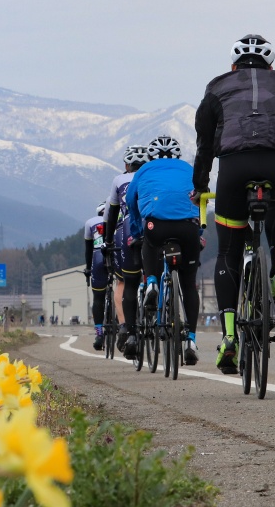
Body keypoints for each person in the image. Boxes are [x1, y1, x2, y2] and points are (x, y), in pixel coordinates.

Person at [192, 34, 275, 374]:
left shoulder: (216, 87)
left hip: (235, 167)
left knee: (228, 250)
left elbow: (204, 146)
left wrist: (199, 187)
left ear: (233, 66)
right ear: (272, 66)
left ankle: (229, 337)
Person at [125, 135, 204, 365]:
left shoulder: (144, 170)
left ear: (151, 156)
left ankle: (151, 281)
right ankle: (190, 339)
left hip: (155, 224)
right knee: (189, 285)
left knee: (149, 243)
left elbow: (131, 201)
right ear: (177, 156)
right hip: (188, 226)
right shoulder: (188, 168)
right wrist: (198, 233)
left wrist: (139, 230)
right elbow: (201, 199)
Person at [104, 145, 151, 356]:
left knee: (127, 282)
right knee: (154, 274)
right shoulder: (153, 176)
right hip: (154, 227)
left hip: (126, 231)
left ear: (126, 165)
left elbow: (111, 214)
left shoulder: (118, 180)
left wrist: (106, 241)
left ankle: (128, 330)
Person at [83, 200, 109, 349]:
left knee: (98, 297)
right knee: (124, 287)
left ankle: (99, 333)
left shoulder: (90, 223)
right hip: (117, 254)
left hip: (98, 257)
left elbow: (88, 250)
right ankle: (127, 328)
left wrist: (88, 269)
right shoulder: (119, 219)